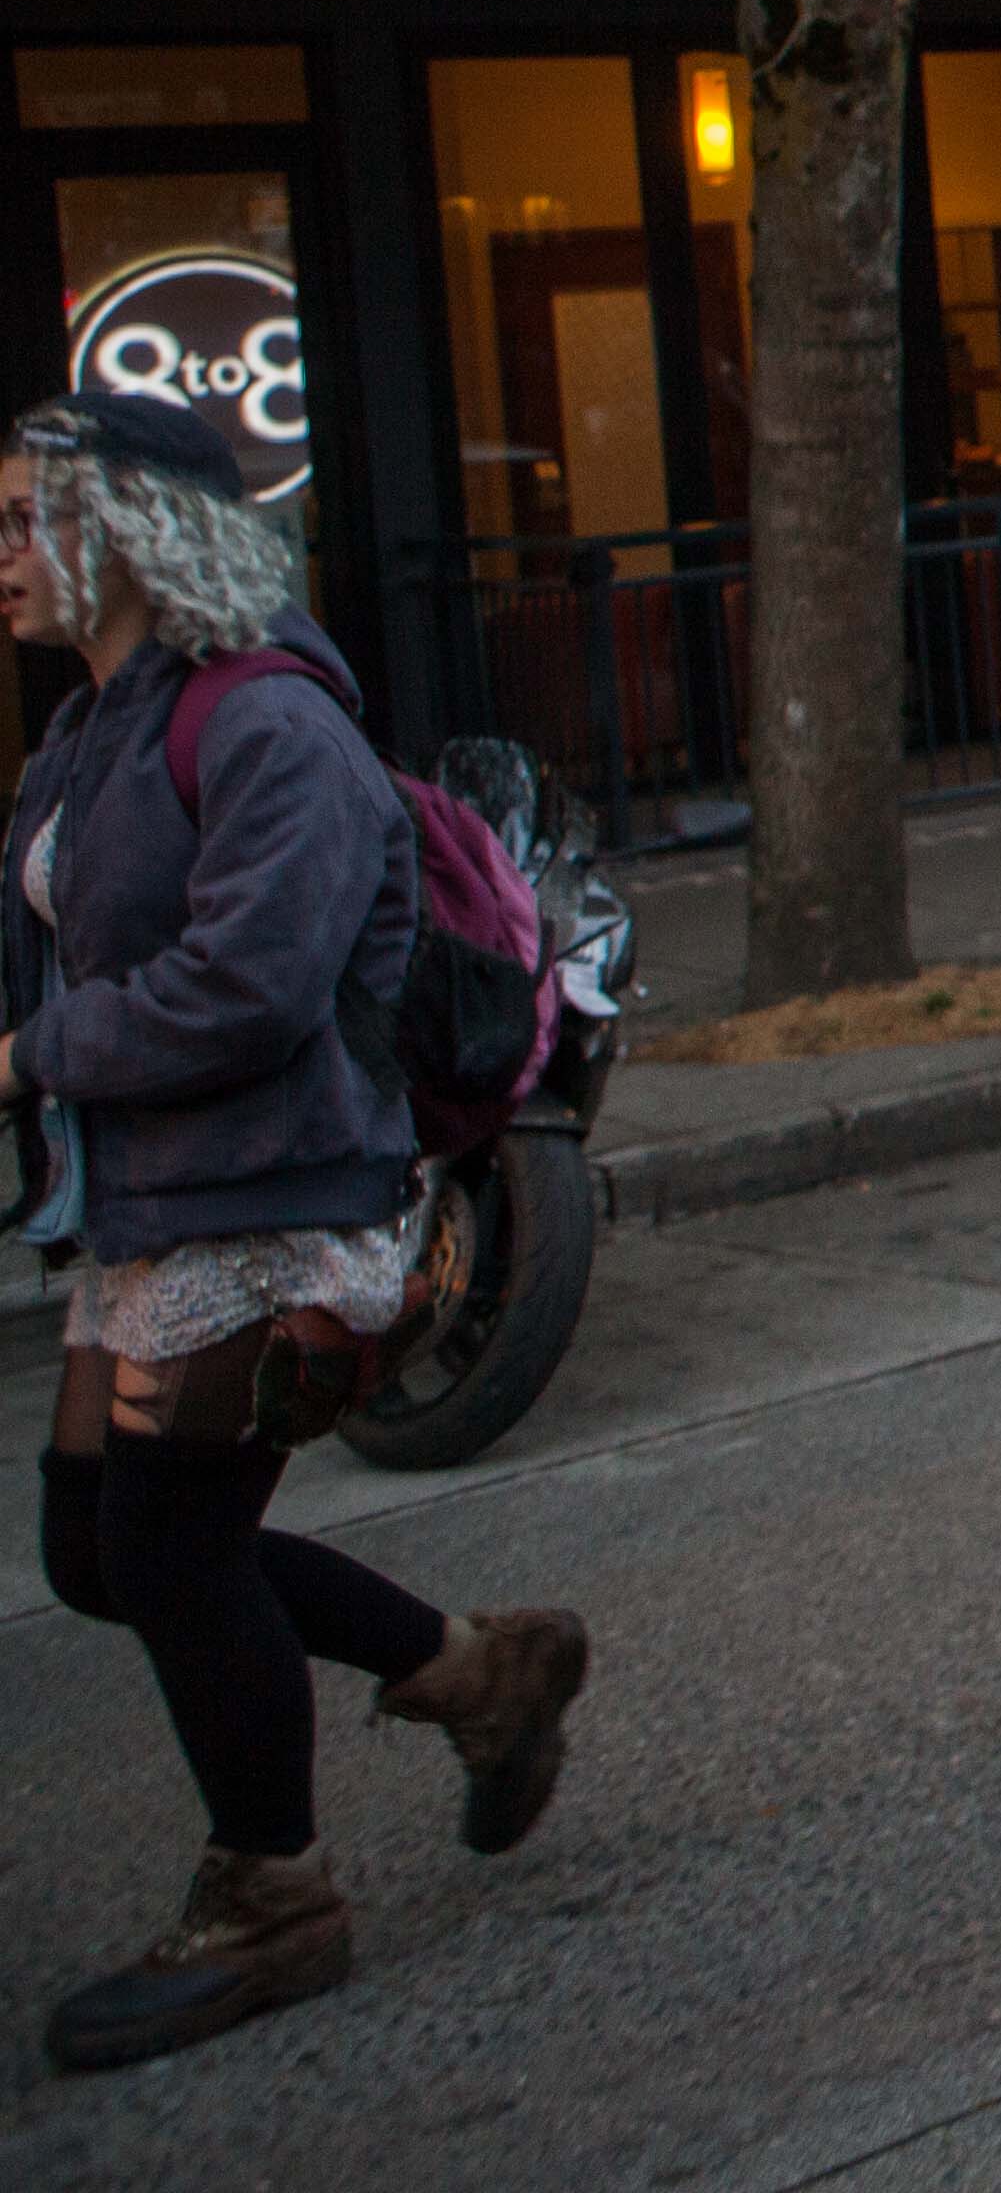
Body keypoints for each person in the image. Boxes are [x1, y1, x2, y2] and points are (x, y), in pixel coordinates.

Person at [5, 392, 594, 2072]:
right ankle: (476, 1672)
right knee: (97, 1551)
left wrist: (31, 1056)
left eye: (27, 518)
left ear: (131, 529)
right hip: (152, 1200)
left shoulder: (267, 720)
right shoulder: (93, 723)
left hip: (274, 1199)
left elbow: (250, 985)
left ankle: (274, 1893)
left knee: (171, 1551)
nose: (3, 552)